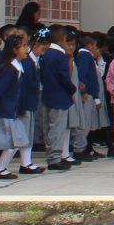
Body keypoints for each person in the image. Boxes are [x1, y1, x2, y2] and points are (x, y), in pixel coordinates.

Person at [0, 31, 43, 178]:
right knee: (12, 143)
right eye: (23, 46)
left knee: (16, 142)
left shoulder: (17, 67)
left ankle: (1, 169)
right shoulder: (9, 69)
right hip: (5, 111)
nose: (26, 49)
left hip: (12, 111)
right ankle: (0, 169)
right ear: (14, 50)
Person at [38, 28, 78, 170]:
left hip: (47, 94)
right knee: (57, 128)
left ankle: (51, 156)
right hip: (60, 96)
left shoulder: (45, 54)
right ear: (62, 39)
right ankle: (55, 158)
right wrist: (72, 89)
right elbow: (64, 77)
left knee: (48, 128)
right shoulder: (60, 56)